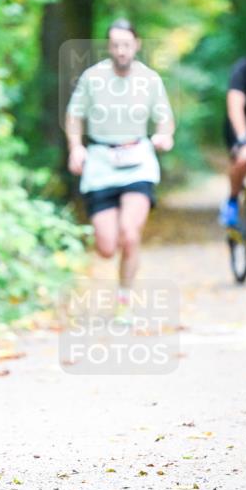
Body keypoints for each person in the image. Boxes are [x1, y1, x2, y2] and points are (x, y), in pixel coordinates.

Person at [65, 19, 174, 316]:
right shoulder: (93, 77)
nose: (121, 51)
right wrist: (76, 148)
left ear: (136, 45)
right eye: (115, 45)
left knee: (130, 232)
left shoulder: (150, 79)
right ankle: (117, 275)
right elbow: (74, 116)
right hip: (101, 162)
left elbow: (165, 118)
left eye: (126, 45)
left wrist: (164, 136)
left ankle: (124, 298)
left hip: (138, 161)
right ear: (108, 47)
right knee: (106, 247)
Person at [219, 52, 246, 227]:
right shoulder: (243, 68)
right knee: (245, 157)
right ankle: (232, 200)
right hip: (244, 130)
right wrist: (243, 138)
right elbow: (235, 106)